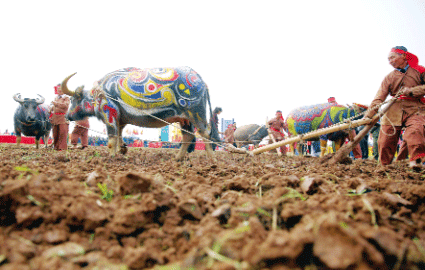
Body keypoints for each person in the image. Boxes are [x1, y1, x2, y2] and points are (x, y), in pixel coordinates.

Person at [365, 46, 425, 169]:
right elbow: (379, 97)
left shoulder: (420, 71)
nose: (390, 61)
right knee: (385, 141)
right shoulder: (389, 77)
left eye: (392, 57)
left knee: (415, 134)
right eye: (388, 59)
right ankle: (384, 168)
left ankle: (417, 166)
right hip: (393, 110)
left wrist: (412, 91)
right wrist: (368, 115)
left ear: (403, 56)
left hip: (416, 109)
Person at [50, 84, 70, 151]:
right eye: (58, 89)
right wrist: (51, 109)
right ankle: (56, 147)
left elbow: (65, 106)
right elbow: (54, 107)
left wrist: (55, 104)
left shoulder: (66, 98)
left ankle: (62, 148)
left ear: (64, 90)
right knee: (55, 133)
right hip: (55, 118)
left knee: (62, 133)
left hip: (63, 118)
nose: (59, 90)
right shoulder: (56, 98)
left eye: (61, 89)